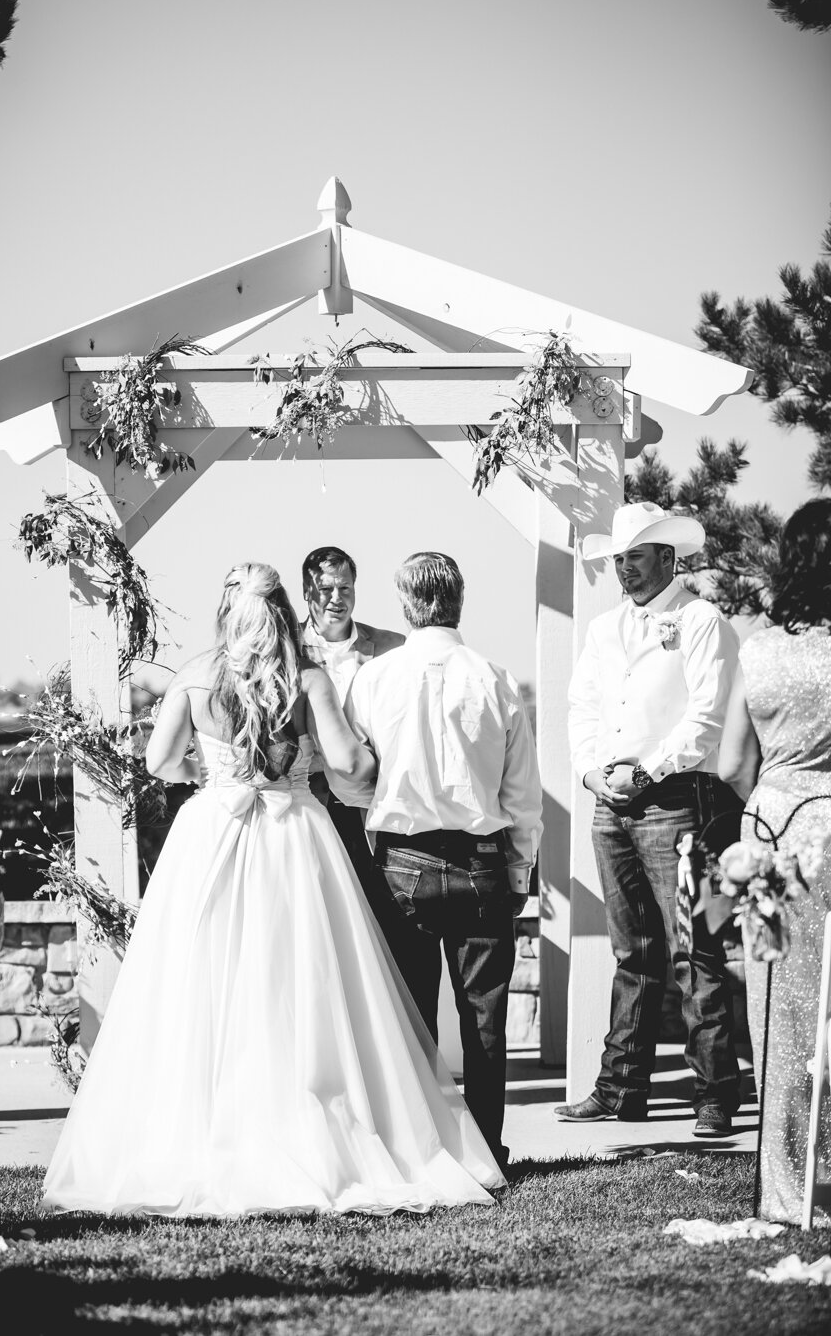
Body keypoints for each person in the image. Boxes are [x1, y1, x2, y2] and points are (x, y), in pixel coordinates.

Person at [42, 562, 504, 1217]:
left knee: (206, 982)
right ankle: (319, 1127)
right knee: (306, 984)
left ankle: (206, 1133)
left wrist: (211, 772)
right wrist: (361, 764)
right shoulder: (308, 679)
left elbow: (158, 763)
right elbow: (349, 762)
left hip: (214, 833)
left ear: (226, 610)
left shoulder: (198, 676)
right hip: (295, 836)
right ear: (285, 609)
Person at [331, 551, 542, 1172]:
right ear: (458, 601)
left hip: (401, 864)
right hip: (481, 863)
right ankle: (489, 1151)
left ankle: (425, 1153)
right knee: (485, 1017)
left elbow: (347, 777)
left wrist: (385, 801)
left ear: (405, 605)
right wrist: (520, 868)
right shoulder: (495, 678)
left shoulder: (372, 680)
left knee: (413, 1018)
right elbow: (522, 796)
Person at [557, 501, 742, 1136]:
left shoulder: (701, 620)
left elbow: (708, 718)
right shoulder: (604, 629)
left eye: (634, 557)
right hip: (611, 805)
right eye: (618, 559)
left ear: (667, 557)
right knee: (631, 952)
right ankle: (620, 1090)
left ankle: (716, 1093)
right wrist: (590, 772)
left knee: (695, 951)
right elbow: (581, 706)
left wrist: (649, 770)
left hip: (676, 802)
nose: (623, 569)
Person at [718, 499, 831, 1224]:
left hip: (771, 839)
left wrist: (771, 798)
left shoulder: (757, 650)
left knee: (781, 1018)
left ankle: (787, 1193)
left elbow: (731, 761)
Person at [299, 545, 403, 886]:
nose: (336, 598)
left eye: (345, 588)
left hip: (375, 798)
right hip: (308, 798)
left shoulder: (394, 647)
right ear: (307, 593)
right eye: (326, 589)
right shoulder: (285, 648)